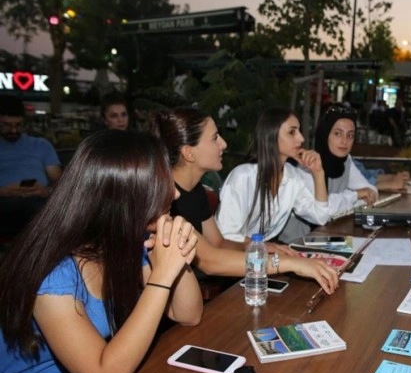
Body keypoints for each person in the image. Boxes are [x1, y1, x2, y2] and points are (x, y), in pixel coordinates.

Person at [0, 131, 202, 373]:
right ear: (123, 198)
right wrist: (162, 277)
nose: (175, 193)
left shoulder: (129, 239)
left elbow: (188, 314)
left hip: (101, 362)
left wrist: (174, 249)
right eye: (160, 184)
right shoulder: (54, 274)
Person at [147, 107, 339, 294]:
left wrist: (259, 247)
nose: (223, 144)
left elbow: (219, 242)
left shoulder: (195, 190)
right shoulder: (163, 199)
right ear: (189, 153)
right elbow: (210, 262)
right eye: (215, 138)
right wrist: (289, 263)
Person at [216, 107, 331, 244]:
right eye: (292, 132)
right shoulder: (243, 177)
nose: (301, 138)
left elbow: (321, 216)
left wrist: (318, 173)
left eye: (298, 131)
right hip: (233, 257)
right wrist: (265, 248)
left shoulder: (292, 177)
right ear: (271, 135)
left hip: (261, 255)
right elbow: (226, 235)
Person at [278, 105, 378, 243]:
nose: (345, 141)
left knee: (368, 247)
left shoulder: (345, 161)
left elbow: (371, 192)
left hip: (328, 237)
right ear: (325, 134)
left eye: (350, 135)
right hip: (297, 243)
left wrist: (351, 199)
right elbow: (323, 211)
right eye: (338, 133)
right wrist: (356, 195)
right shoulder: (306, 164)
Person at [0, 95, 62, 237]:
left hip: (37, 201)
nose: (14, 130)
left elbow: (60, 182)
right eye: (7, 125)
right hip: (4, 203)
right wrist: (4, 192)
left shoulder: (40, 145)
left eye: (18, 125)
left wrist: (45, 191)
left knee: (40, 209)